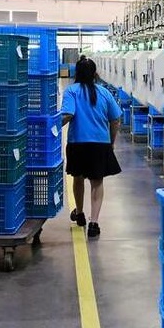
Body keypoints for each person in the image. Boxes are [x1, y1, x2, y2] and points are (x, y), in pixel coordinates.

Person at [61, 58, 122, 238]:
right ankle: (94, 223)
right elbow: (115, 120)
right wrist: (110, 142)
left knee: (78, 178)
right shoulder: (104, 92)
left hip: (77, 143)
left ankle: (80, 214)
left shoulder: (71, 91)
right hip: (100, 144)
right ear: (95, 73)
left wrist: (51, 128)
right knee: (97, 182)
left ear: (76, 73)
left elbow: (67, 114)